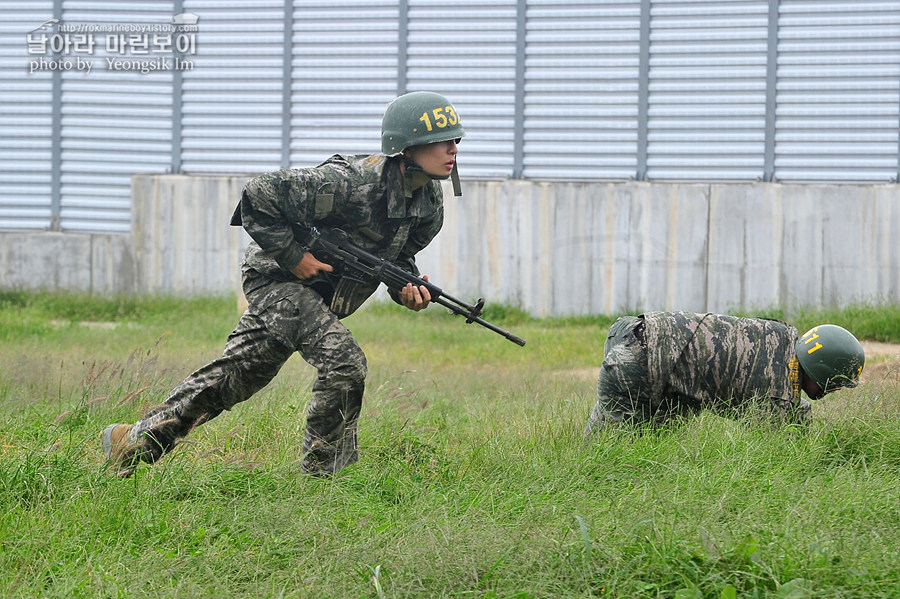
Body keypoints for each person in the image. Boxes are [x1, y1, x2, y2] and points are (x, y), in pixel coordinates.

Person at [102, 91, 465, 477]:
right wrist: (294, 256)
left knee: (232, 381)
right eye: (442, 141)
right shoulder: (349, 183)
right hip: (277, 280)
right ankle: (323, 479)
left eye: (456, 140)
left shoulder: (429, 204)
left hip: (321, 296)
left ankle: (132, 441)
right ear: (406, 146)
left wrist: (404, 288)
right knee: (345, 363)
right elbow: (257, 196)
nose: (452, 149)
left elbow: (393, 257)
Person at [584, 311, 865, 433]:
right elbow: (779, 448)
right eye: (836, 384)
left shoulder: (781, 338)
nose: (835, 392)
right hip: (640, 363)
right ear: (821, 373)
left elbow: (790, 406)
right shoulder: (775, 389)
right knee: (611, 452)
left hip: (632, 335)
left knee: (653, 442)